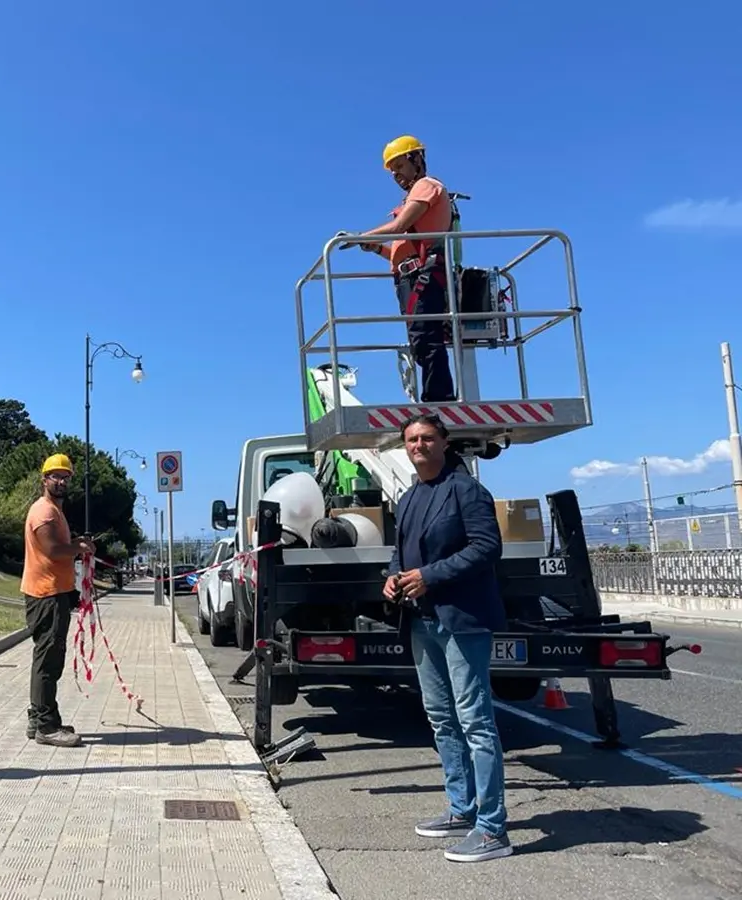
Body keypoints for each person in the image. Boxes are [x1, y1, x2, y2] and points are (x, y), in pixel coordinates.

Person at [382, 413, 512, 863]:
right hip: (422, 621)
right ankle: (461, 809)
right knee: (441, 718)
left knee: (475, 721)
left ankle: (493, 829)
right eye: (412, 439)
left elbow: (486, 546)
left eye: (427, 438)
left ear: (444, 442)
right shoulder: (410, 496)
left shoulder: (467, 490)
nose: (419, 445)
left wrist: (430, 576)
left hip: (463, 620)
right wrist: (393, 577)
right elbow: (402, 552)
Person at [342, 135, 457, 402]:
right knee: (420, 340)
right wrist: (377, 248)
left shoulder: (426, 186)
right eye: (392, 171)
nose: (396, 174)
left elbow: (399, 226)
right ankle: (436, 396)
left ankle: (439, 399)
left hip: (424, 275)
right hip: (411, 275)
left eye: (399, 166)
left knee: (426, 339)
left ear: (416, 159)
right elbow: (400, 251)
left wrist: (361, 236)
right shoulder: (412, 196)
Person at [21, 453, 95, 747]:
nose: (62, 481)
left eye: (66, 477)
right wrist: (79, 547)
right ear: (45, 479)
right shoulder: (45, 512)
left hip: (54, 593)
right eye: (56, 476)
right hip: (45, 595)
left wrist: (78, 545)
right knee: (48, 662)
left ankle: (38, 717)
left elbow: (61, 549)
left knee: (47, 659)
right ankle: (46, 727)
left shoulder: (54, 511)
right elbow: (53, 551)